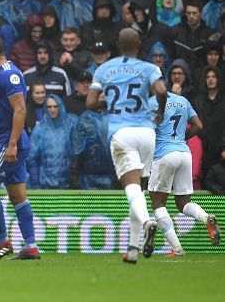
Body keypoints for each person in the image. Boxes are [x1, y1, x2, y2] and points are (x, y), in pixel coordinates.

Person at [86, 27, 168, 264]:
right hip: (146, 132)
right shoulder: (149, 68)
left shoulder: (104, 69)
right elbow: (161, 90)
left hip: (122, 133)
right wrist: (159, 113)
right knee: (140, 191)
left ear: (117, 45)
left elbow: (90, 102)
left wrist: (109, 103)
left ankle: (147, 222)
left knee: (131, 188)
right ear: (139, 44)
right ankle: (133, 248)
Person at [0, 35, 38, 260]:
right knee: (17, 195)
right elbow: (6, 112)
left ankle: (3, 241)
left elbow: (20, 110)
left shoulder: (8, 75)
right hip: (5, 138)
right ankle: (31, 246)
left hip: (11, 142)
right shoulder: (2, 74)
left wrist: (11, 143)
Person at [148, 91, 221, 256]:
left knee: (158, 204)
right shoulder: (182, 100)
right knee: (183, 203)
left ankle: (177, 248)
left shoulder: (150, 104)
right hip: (184, 153)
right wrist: (181, 138)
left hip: (164, 154)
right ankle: (206, 218)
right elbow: (199, 126)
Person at [28, 94, 77, 190]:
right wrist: (35, 183)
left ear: (60, 106)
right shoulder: (40, 129)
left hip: (67, 184)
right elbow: (32, 158)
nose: (52, 110)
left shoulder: (71, 124)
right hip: (45, 184)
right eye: (49, 107)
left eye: (55, 106)